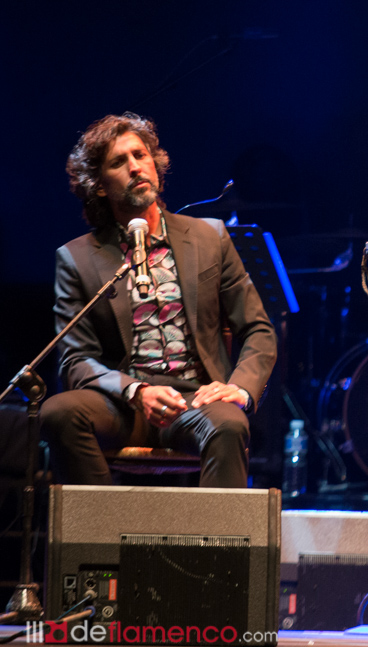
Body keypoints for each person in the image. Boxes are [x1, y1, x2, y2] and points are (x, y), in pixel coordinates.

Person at [40, 113, 277, 488]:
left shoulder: (210, 237)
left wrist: (242, 388)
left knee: (230, 425)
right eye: (118, 162)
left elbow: (258, 329)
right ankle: (101, 525)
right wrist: (136, 391)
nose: (135, 167)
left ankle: (215, 531)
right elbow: (75, 360)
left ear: (156, 164)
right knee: (58, 413)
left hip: (196, 402)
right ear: (98, 186)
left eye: (140, 155)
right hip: (122, 406)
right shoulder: (77, 258)